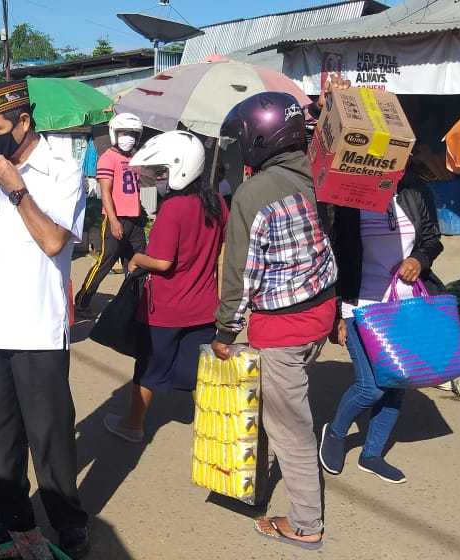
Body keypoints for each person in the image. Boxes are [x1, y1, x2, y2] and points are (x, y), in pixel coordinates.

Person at [212, 91, 338, 551]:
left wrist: (226, 330)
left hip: (284, 325)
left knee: (290, 428)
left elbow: (241, 274)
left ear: (261, 137)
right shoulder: (320, 172)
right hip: (320, 312)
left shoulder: (255, 192)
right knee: (282, 411)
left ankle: (306, 524)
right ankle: (259, 487)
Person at [0, 80, 90, 559]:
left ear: (24, 121)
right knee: (2, 435)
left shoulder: (61, 170)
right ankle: (12, 516)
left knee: (49, 434)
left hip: (40, 325)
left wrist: (18, 190)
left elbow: (55, 242)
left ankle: (69, 522)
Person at [319, 150, 445, 485]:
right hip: (360, 305)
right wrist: (337, 314)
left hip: (404, 306)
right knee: (371, 386)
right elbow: (338, 258)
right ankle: (334, 432)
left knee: (396, 384)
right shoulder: (350, 201)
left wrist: (419, 258)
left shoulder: (416, 193)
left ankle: (371, 454)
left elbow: (432, 239)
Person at [101, 131, 229, 443]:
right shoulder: (217, 205)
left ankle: (133, 424)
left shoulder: (173, 209)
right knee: (197, 374)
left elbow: (162, 262)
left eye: (161, 173)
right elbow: (222, 257)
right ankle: (211, 434)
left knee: (148, 368)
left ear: (180, 169)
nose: (157, 179)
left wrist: (137, 260)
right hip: (204, 307)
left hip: (166, 308)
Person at [75, 112, 147, 316]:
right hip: (116, 220)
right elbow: (105, 192)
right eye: (125, 132)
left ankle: (136, 304)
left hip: (135, 221)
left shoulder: (135, 158)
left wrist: (140, 211)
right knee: (104, 263)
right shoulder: (107, 158)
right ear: (115, 134)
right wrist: (113, 220)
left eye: (133, 133)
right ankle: (82, 300)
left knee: (138, 263)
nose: (129, 137)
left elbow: (134, 189)